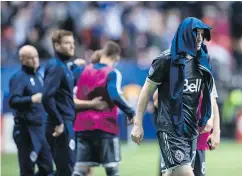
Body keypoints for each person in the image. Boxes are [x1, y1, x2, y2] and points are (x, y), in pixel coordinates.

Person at [131, 17, 217, 176]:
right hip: (169, 129)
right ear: (185, 35)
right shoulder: (166, 60)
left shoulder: (202, 61)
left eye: (201, 34)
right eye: (195, 34)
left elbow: (210, 93)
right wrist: (138, 123)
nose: (199, 38)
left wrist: (210, 119)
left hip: (192, 131)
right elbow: (146, 91)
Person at [42, 29, 105, 176]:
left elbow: (65, 80)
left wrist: (73, 66)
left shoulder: (63, 66)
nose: (71, 46)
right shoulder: (56, 66)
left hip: (66, 122)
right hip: (61, 124)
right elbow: (47, 97)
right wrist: (58, 121)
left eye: (72, 43)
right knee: (67, 170)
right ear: (57, 46)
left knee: (66, 170)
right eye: (66, 43)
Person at [72, 41, 135, 176]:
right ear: (116, 58)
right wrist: (131, 112)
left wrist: (72, 65)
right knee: (112, 169)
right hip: (105, 126)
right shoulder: (113, 73)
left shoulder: (82, 71)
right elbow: (115, 96)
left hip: (82, 127)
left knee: (80, 170)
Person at [9, 45, 53, 176]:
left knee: (48, 168)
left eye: (36, 56)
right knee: (27, 169)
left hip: (41, 129)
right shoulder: (19, 77)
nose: (35, 60)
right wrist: (31, 99)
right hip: (26, 131)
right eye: (30, 58)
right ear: (22, 60)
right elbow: (13, 101)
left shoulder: (39, 76)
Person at [193, 84, 220, 176]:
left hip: (199, 137)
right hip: (178, 138)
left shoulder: (206, 73)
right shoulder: (173, 71)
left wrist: (216, 132)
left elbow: (213, 103)